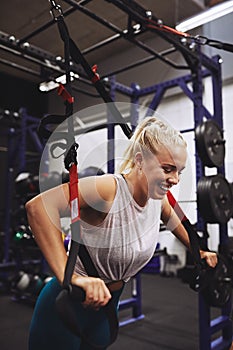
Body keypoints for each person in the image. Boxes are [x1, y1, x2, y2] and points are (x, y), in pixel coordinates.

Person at [25, 116, 217, 350]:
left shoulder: (158, 198)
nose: (175, 179)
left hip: (107, 306)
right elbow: (38, 208)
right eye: (167, 169)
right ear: (140, 161)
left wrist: (198, 251)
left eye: (179, 171)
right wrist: (73, 277)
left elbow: (176, 221)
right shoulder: (109, 190)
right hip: (66, 305)